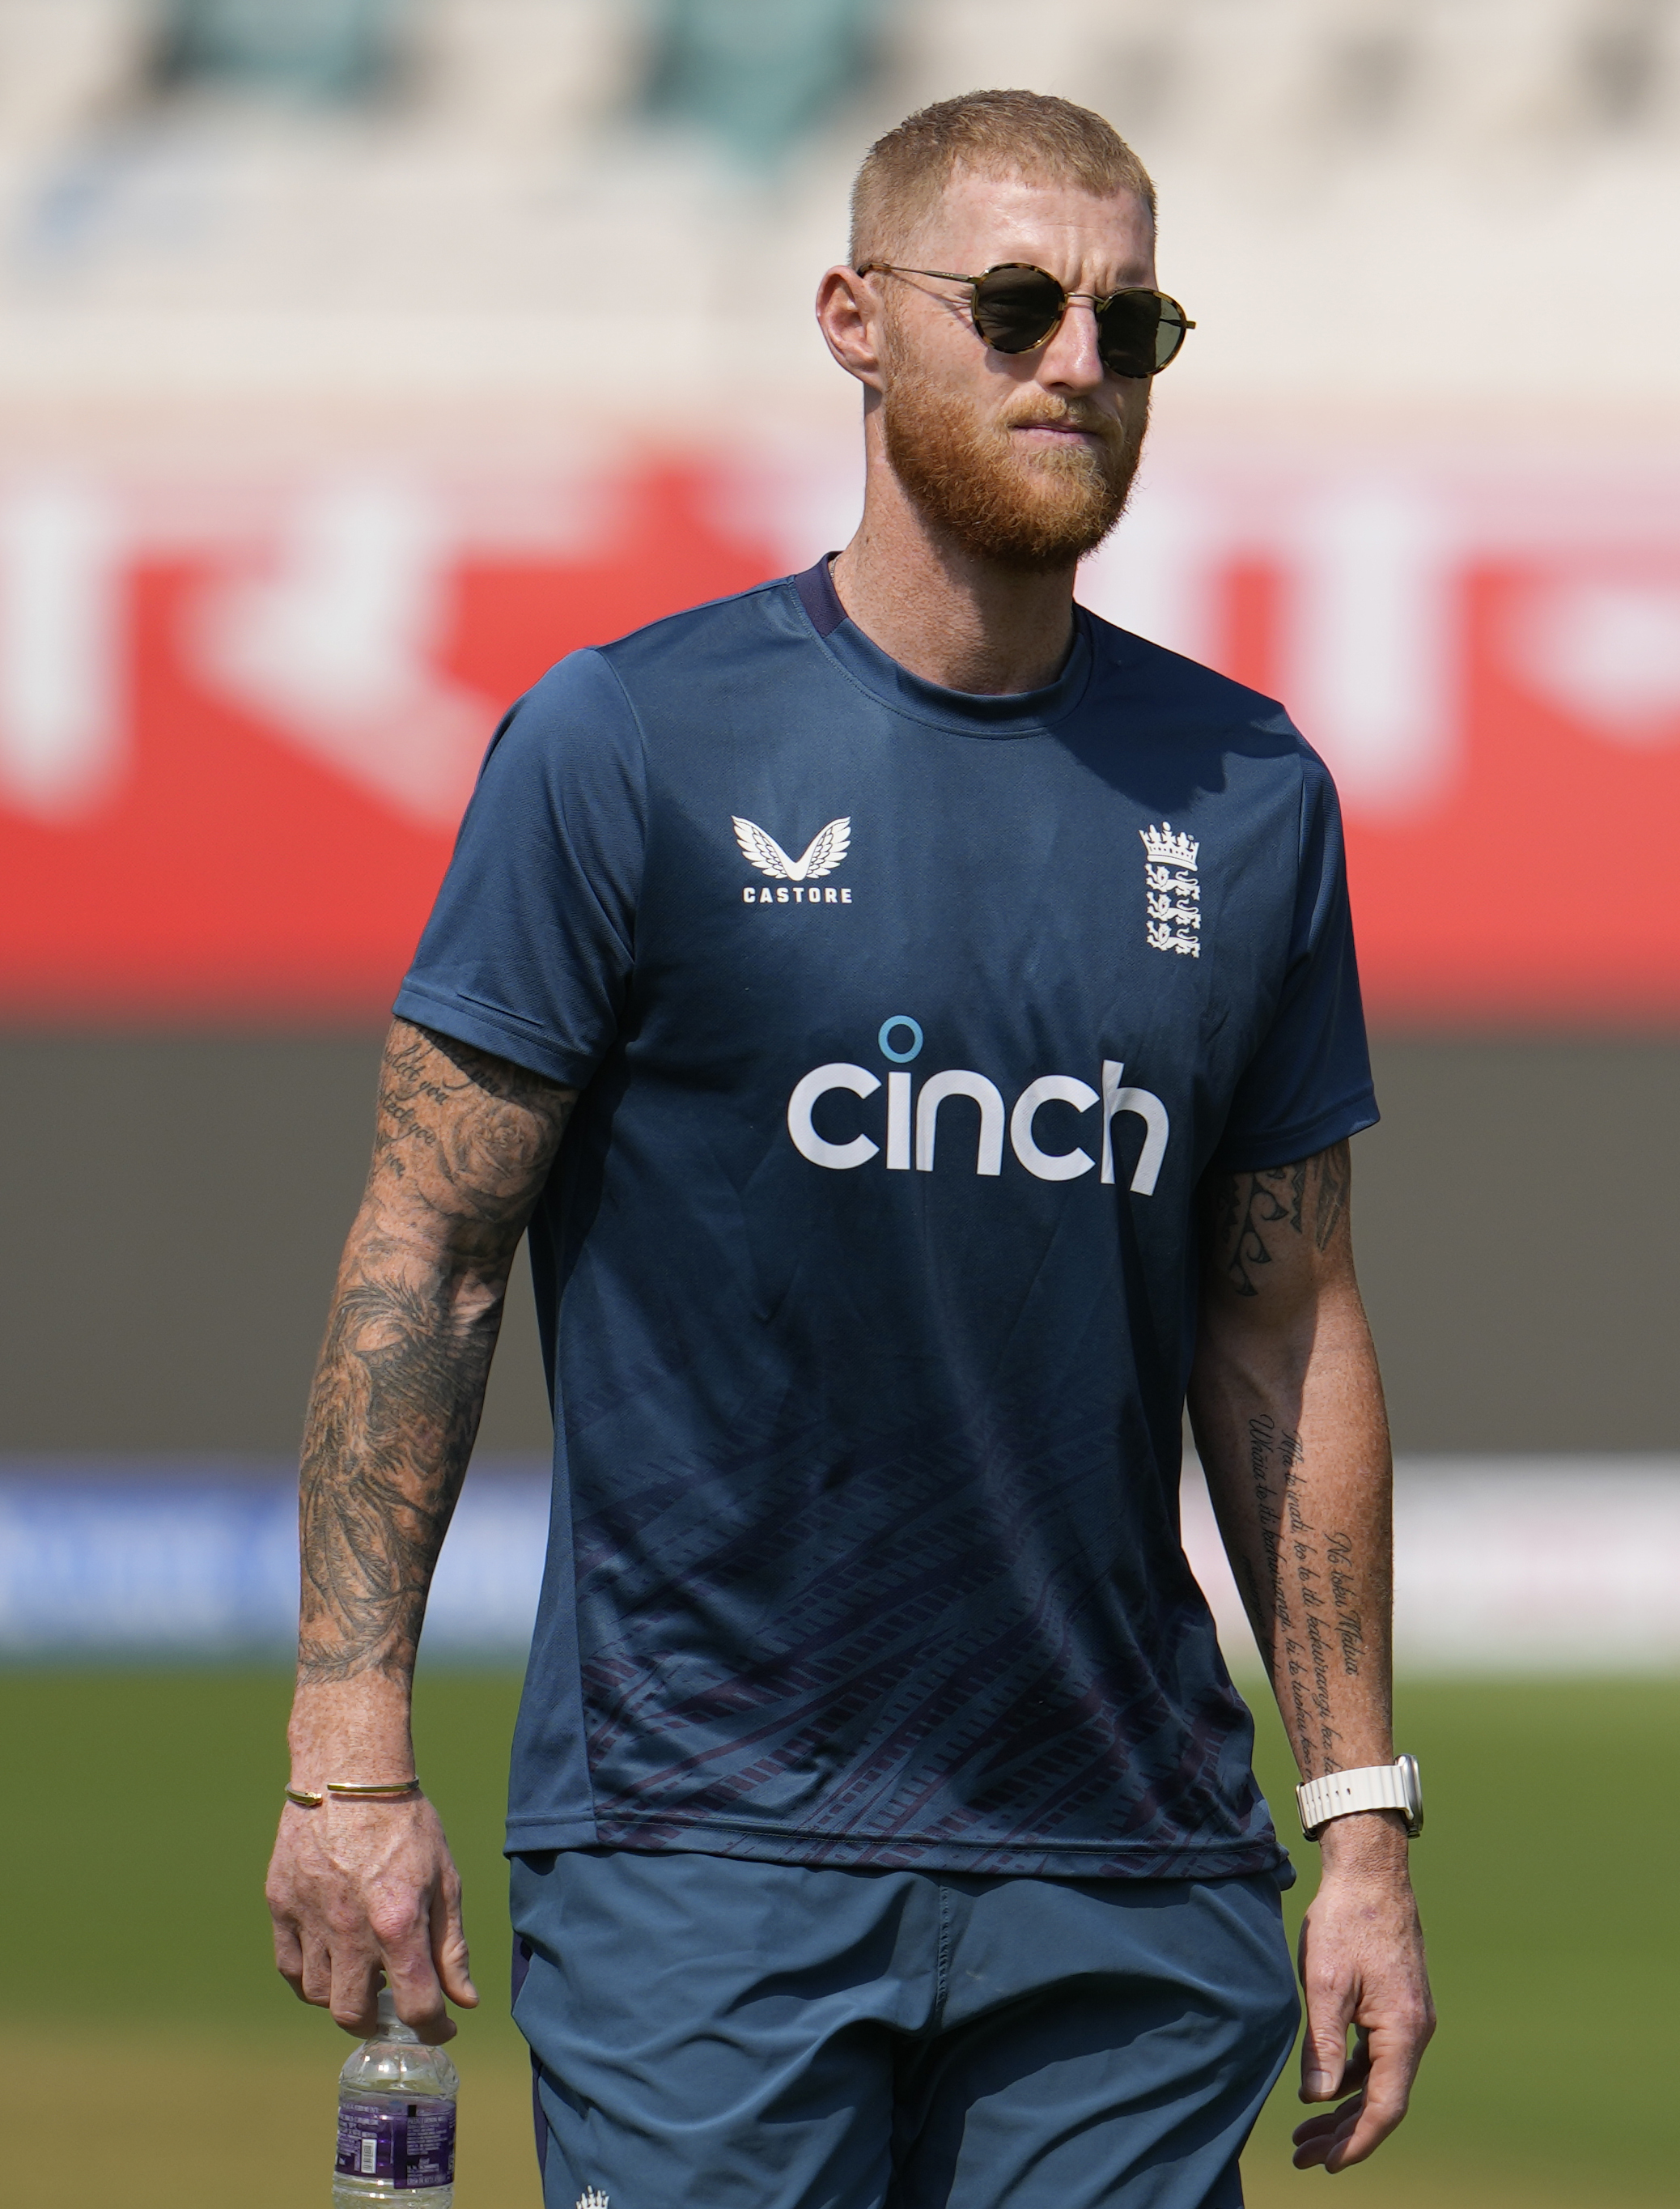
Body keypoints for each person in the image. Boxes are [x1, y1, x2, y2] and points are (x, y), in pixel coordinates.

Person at [262, 90, 1432, 2209]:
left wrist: (1357, 1824)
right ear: (852, 322)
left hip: (1128, 1878)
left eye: (1129, 321)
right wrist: (348, 1761)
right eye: (1011, 302)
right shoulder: (624, 742)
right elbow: (425, 1252)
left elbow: (1283, 1327)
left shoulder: (1252, 791)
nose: (1076, 358)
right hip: (704, 1859)